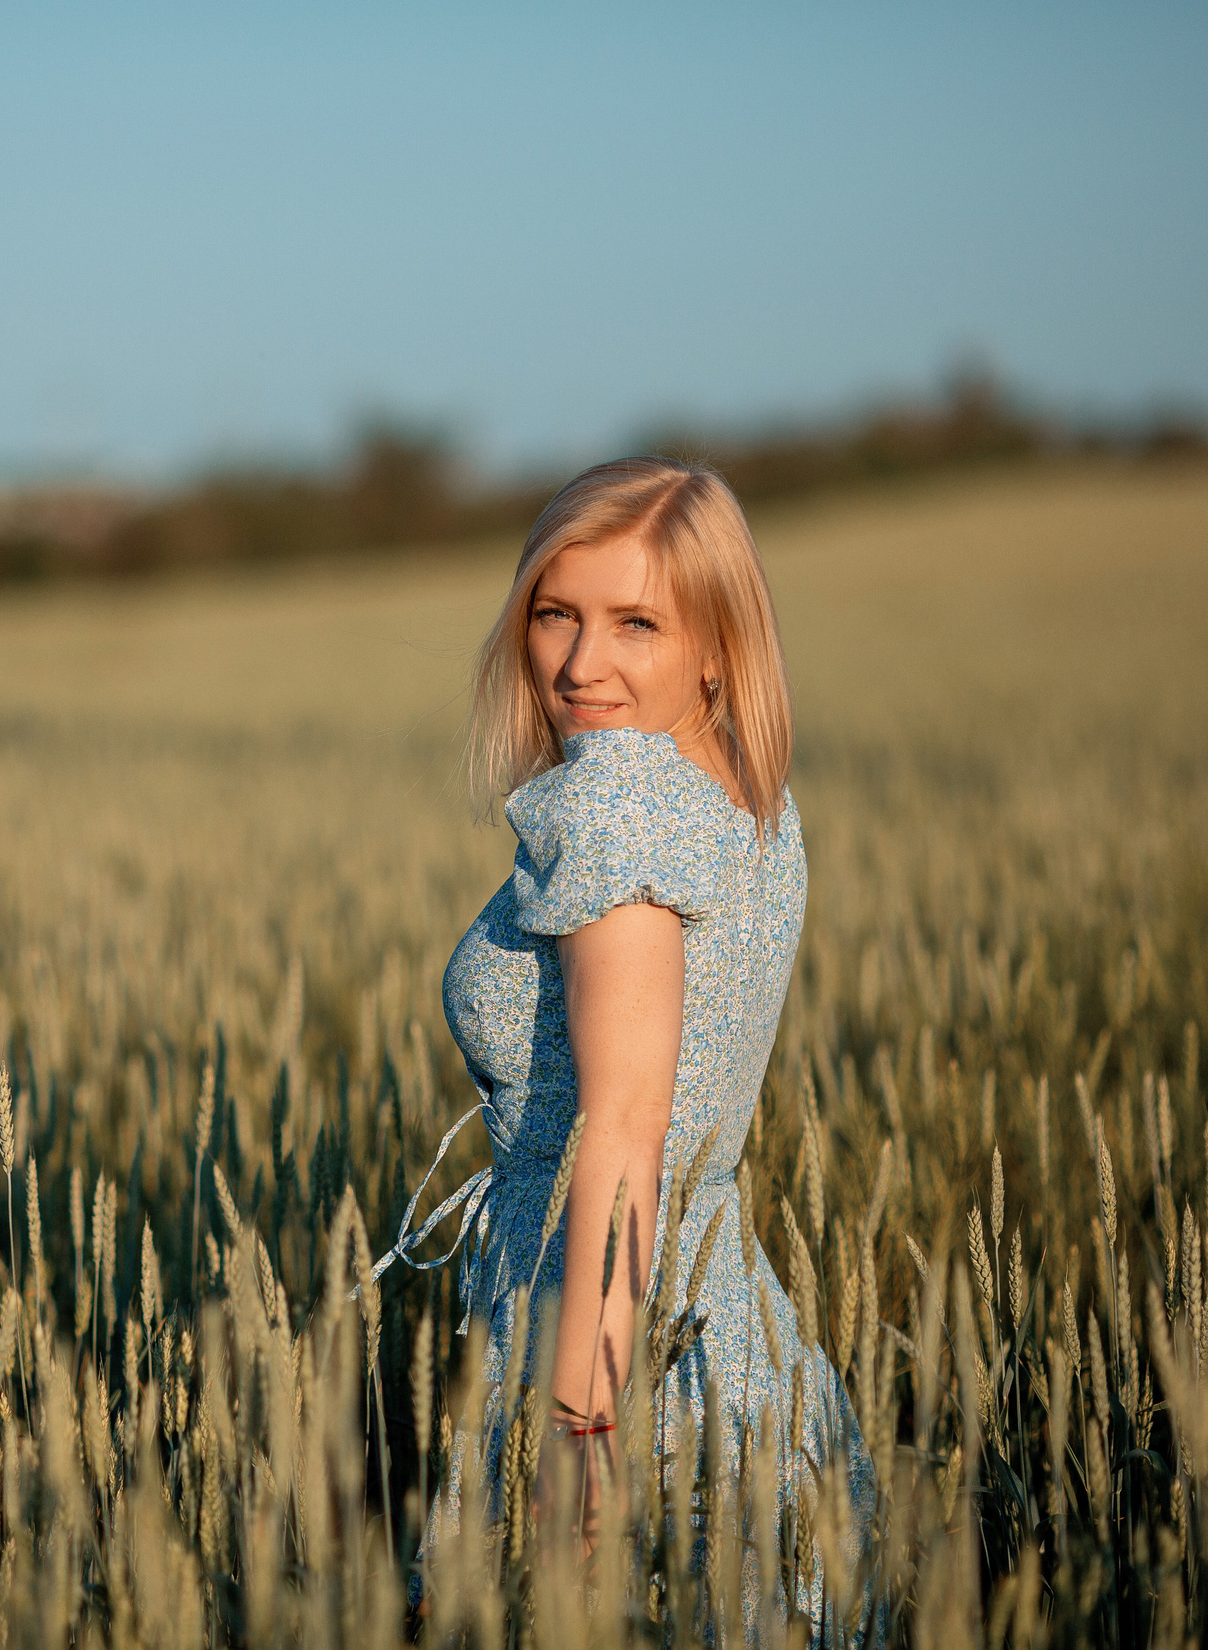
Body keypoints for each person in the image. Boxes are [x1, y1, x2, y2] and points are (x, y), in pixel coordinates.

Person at [371, 457, 875, 1635]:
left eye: (634, 623)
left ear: (716, 645)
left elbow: (625, 1130)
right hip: (725, 1332)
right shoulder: (740, 786)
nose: (579, 662)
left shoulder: (614, 807)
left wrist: (578, 1435)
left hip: (604, 1343)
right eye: (555, 612)